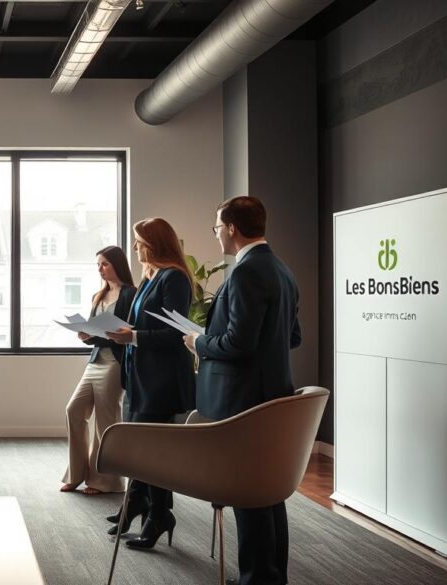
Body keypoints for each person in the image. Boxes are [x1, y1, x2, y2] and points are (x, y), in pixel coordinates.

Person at [184, 196, 301, 585]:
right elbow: (292, 336)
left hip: (244, 401)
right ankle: (270, 575)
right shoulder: (282, 271)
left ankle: (257, 578)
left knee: (248, 493)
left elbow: (238, 344)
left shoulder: (246, 272)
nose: (216, 233)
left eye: (217, 227)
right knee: (268, 490)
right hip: (271, 397)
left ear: (232, 228)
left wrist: (199, 343)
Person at [106, 217, 196, 546]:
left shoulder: (175, 279)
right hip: (141, 377)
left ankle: (159, 514)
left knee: (152, 452)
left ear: (154, 243)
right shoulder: (150, 276)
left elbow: (175, 334)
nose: (134, 247)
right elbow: (137, 326)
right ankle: (142, 505)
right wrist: (119, 334)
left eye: (139, 241)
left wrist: (134, 336)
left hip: (162, 381)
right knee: (141, 449)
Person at [61, 246, 137, 495]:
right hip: (95, 361)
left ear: (117, 264)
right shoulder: (98, 295)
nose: (100, 269)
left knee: (105, 421)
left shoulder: (130, 294)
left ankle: (105, 481)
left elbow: (125, 333)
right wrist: (86, 335)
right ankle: (76, 473)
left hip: (114, 363)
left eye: (104, 264)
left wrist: (101, 335)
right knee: (74, 409)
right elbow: (97, 334)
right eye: (98, 265)